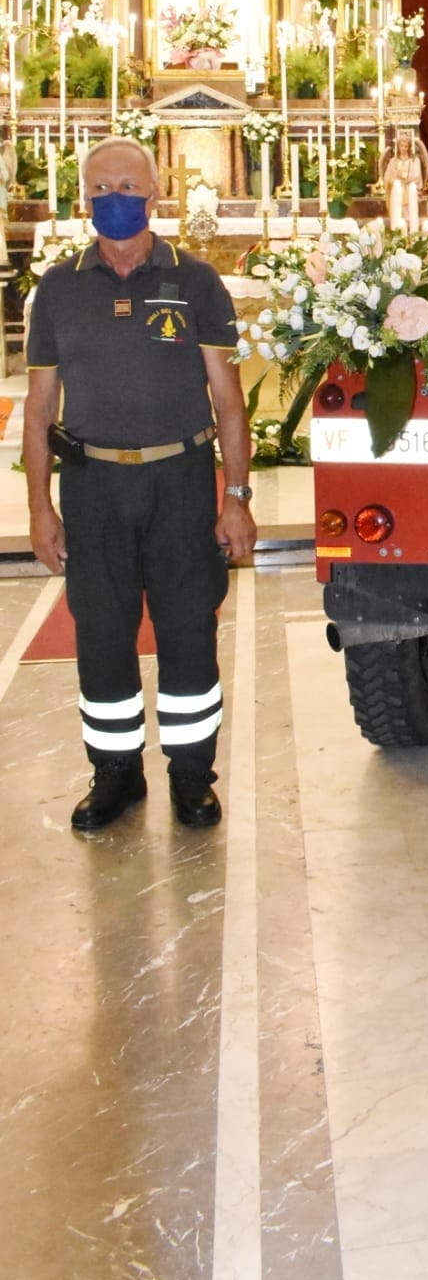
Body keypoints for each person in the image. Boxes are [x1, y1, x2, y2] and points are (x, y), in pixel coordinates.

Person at [23, 136, 256, 834]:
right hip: (92, 486)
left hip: (179, 481)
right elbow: (38, 408)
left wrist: (235, 498)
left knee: (188, 628)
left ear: (156, 195)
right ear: (83, 199)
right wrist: (39, 508)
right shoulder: (58, 288)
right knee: (100, 632)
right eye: (101, 188)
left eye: (128, 186)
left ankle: (191, 777)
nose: (114, 199)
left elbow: (229, 401)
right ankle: (115, 774)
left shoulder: (196, 281)